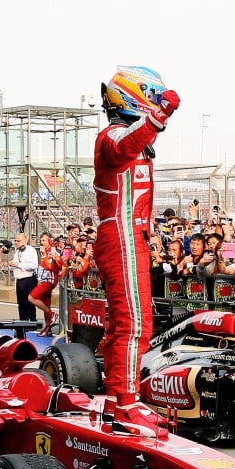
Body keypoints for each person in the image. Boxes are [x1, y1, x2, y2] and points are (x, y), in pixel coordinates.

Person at [94, 65, 180, 438]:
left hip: (132, 237)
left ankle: (117, 400)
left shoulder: (134, 139)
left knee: (123, 323)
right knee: (135, 323)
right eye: (151, 95)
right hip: (121, 235)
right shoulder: (111, 137)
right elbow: (122, 146)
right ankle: (127, 403)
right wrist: (159, 115)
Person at [8, 232, 39, 322]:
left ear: (25, 240)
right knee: (21, 304)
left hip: (28, 279)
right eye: (16, 241)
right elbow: (15, 264)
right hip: (19, 279)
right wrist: (12, 264)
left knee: (28, 303)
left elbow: (34, 265)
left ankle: (32, 321)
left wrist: (20, 265)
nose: (17, 242)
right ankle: (23, 322)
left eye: (19, 241)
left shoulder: (31, 250)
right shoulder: (17, 252)